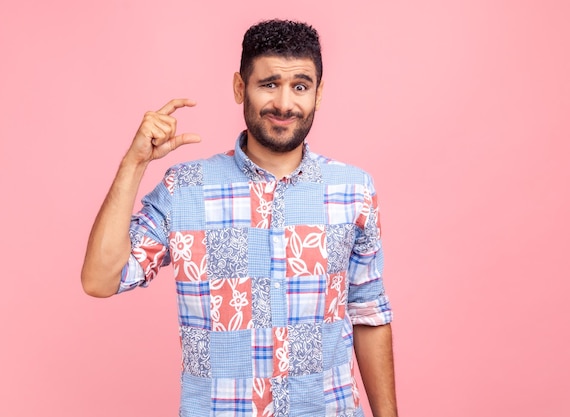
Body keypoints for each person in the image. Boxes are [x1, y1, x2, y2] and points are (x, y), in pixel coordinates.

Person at [81, 19, 397, 417]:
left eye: (300, 86)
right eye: (268, 84)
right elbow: (99, 279)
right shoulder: (186, 189)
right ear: (239, 87)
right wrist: (134, 163)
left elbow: (368, 313)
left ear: (318, 94)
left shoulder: (354, 191)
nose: (284, 103)